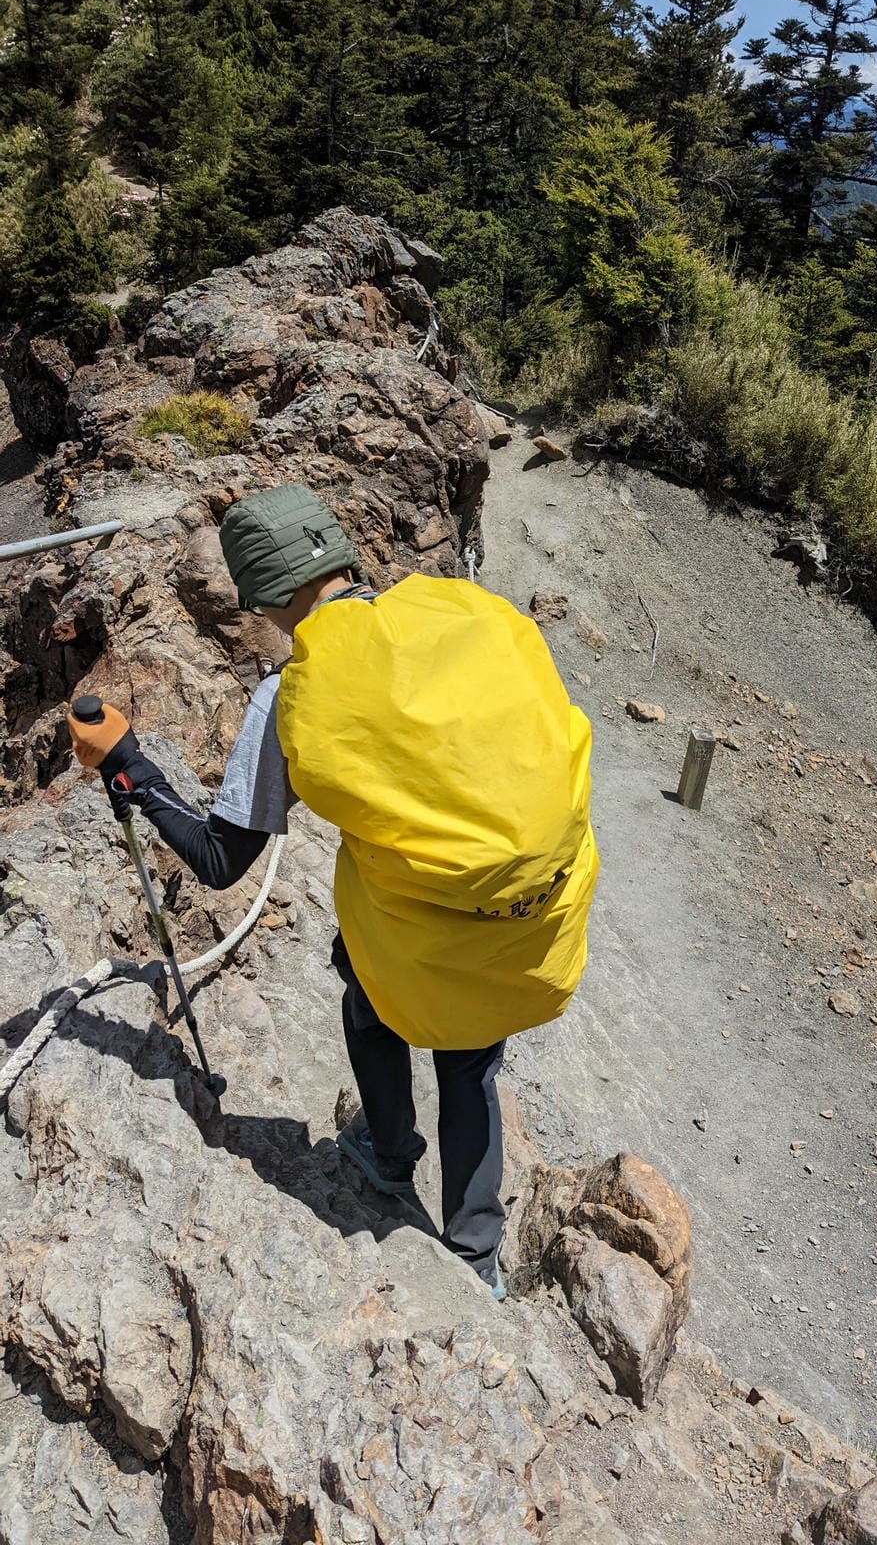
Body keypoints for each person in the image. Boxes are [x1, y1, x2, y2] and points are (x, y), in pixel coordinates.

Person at [70, 484, 599, 1298]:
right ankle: (475, 1257)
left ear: (264, 598)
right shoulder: (470, 612)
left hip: (413, 943)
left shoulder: (291, 694)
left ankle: (388, 1159)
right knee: (470, 1066)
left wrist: (126, 763)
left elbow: (218, 859)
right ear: (339, 552)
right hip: (525, 927)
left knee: (368, 993)